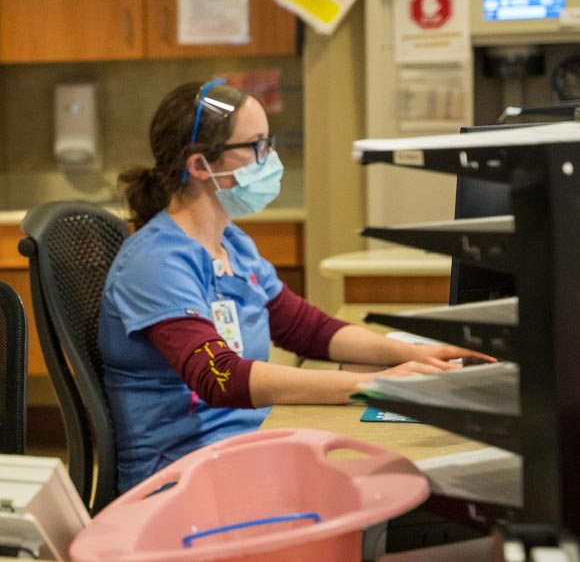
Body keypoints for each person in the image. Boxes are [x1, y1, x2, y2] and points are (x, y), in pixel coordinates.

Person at [98, 80, 494, 493]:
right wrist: (378, 385)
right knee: (380, 486)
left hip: (243, 449)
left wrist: (415, 354)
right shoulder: (156, 262)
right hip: (181, 478)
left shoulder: (232, 245)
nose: (270, 158)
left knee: (382, 476)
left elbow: (309, 331)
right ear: (200, 166)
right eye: (256, 147)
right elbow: (220, 378)